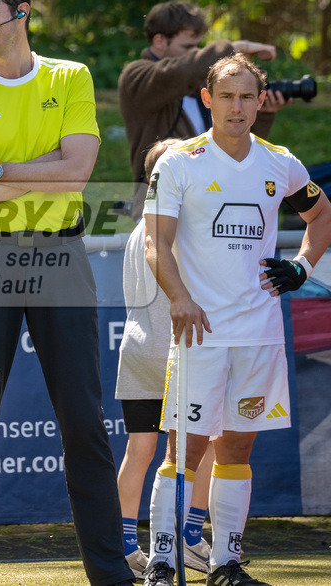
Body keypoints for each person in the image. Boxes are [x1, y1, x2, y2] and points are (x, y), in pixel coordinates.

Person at [0, 0, 135, 586]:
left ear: (21, 13)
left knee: (84, 420)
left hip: (60, 256)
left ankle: (109, 573)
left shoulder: (70, 76)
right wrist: (36, 170)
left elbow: (77, 173)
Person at [141, 53, 331, 586]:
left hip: (259, 333)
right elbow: (157, 243)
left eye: (247, 96)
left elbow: (321, 214)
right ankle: (162, 560)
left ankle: (225, 563)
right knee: (184, 450)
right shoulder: (179, 162)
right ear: (208, 99)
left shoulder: (281, 163)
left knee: (237, 447)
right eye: (226, 96)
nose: (237, 107)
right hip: (199, 331)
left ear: (260, 100)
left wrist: (302, 266)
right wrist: (179, 297)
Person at [116, 138, 215, 578]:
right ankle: (188, 537)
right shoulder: (179, 226)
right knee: (203, 447)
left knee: (139, 451)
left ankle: (124, 546)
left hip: (138, 350)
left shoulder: (139, 227)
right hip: (178, 351)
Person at [119, 0, 287, 216]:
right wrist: (233, 49)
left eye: (198, 47)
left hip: (211, 205)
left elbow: (238, 149)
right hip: (162, 206)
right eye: (187, 47)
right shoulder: (136, 76)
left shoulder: (201, 85)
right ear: (159, 41)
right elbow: (179, 72)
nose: (196, 52)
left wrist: (264, 113)